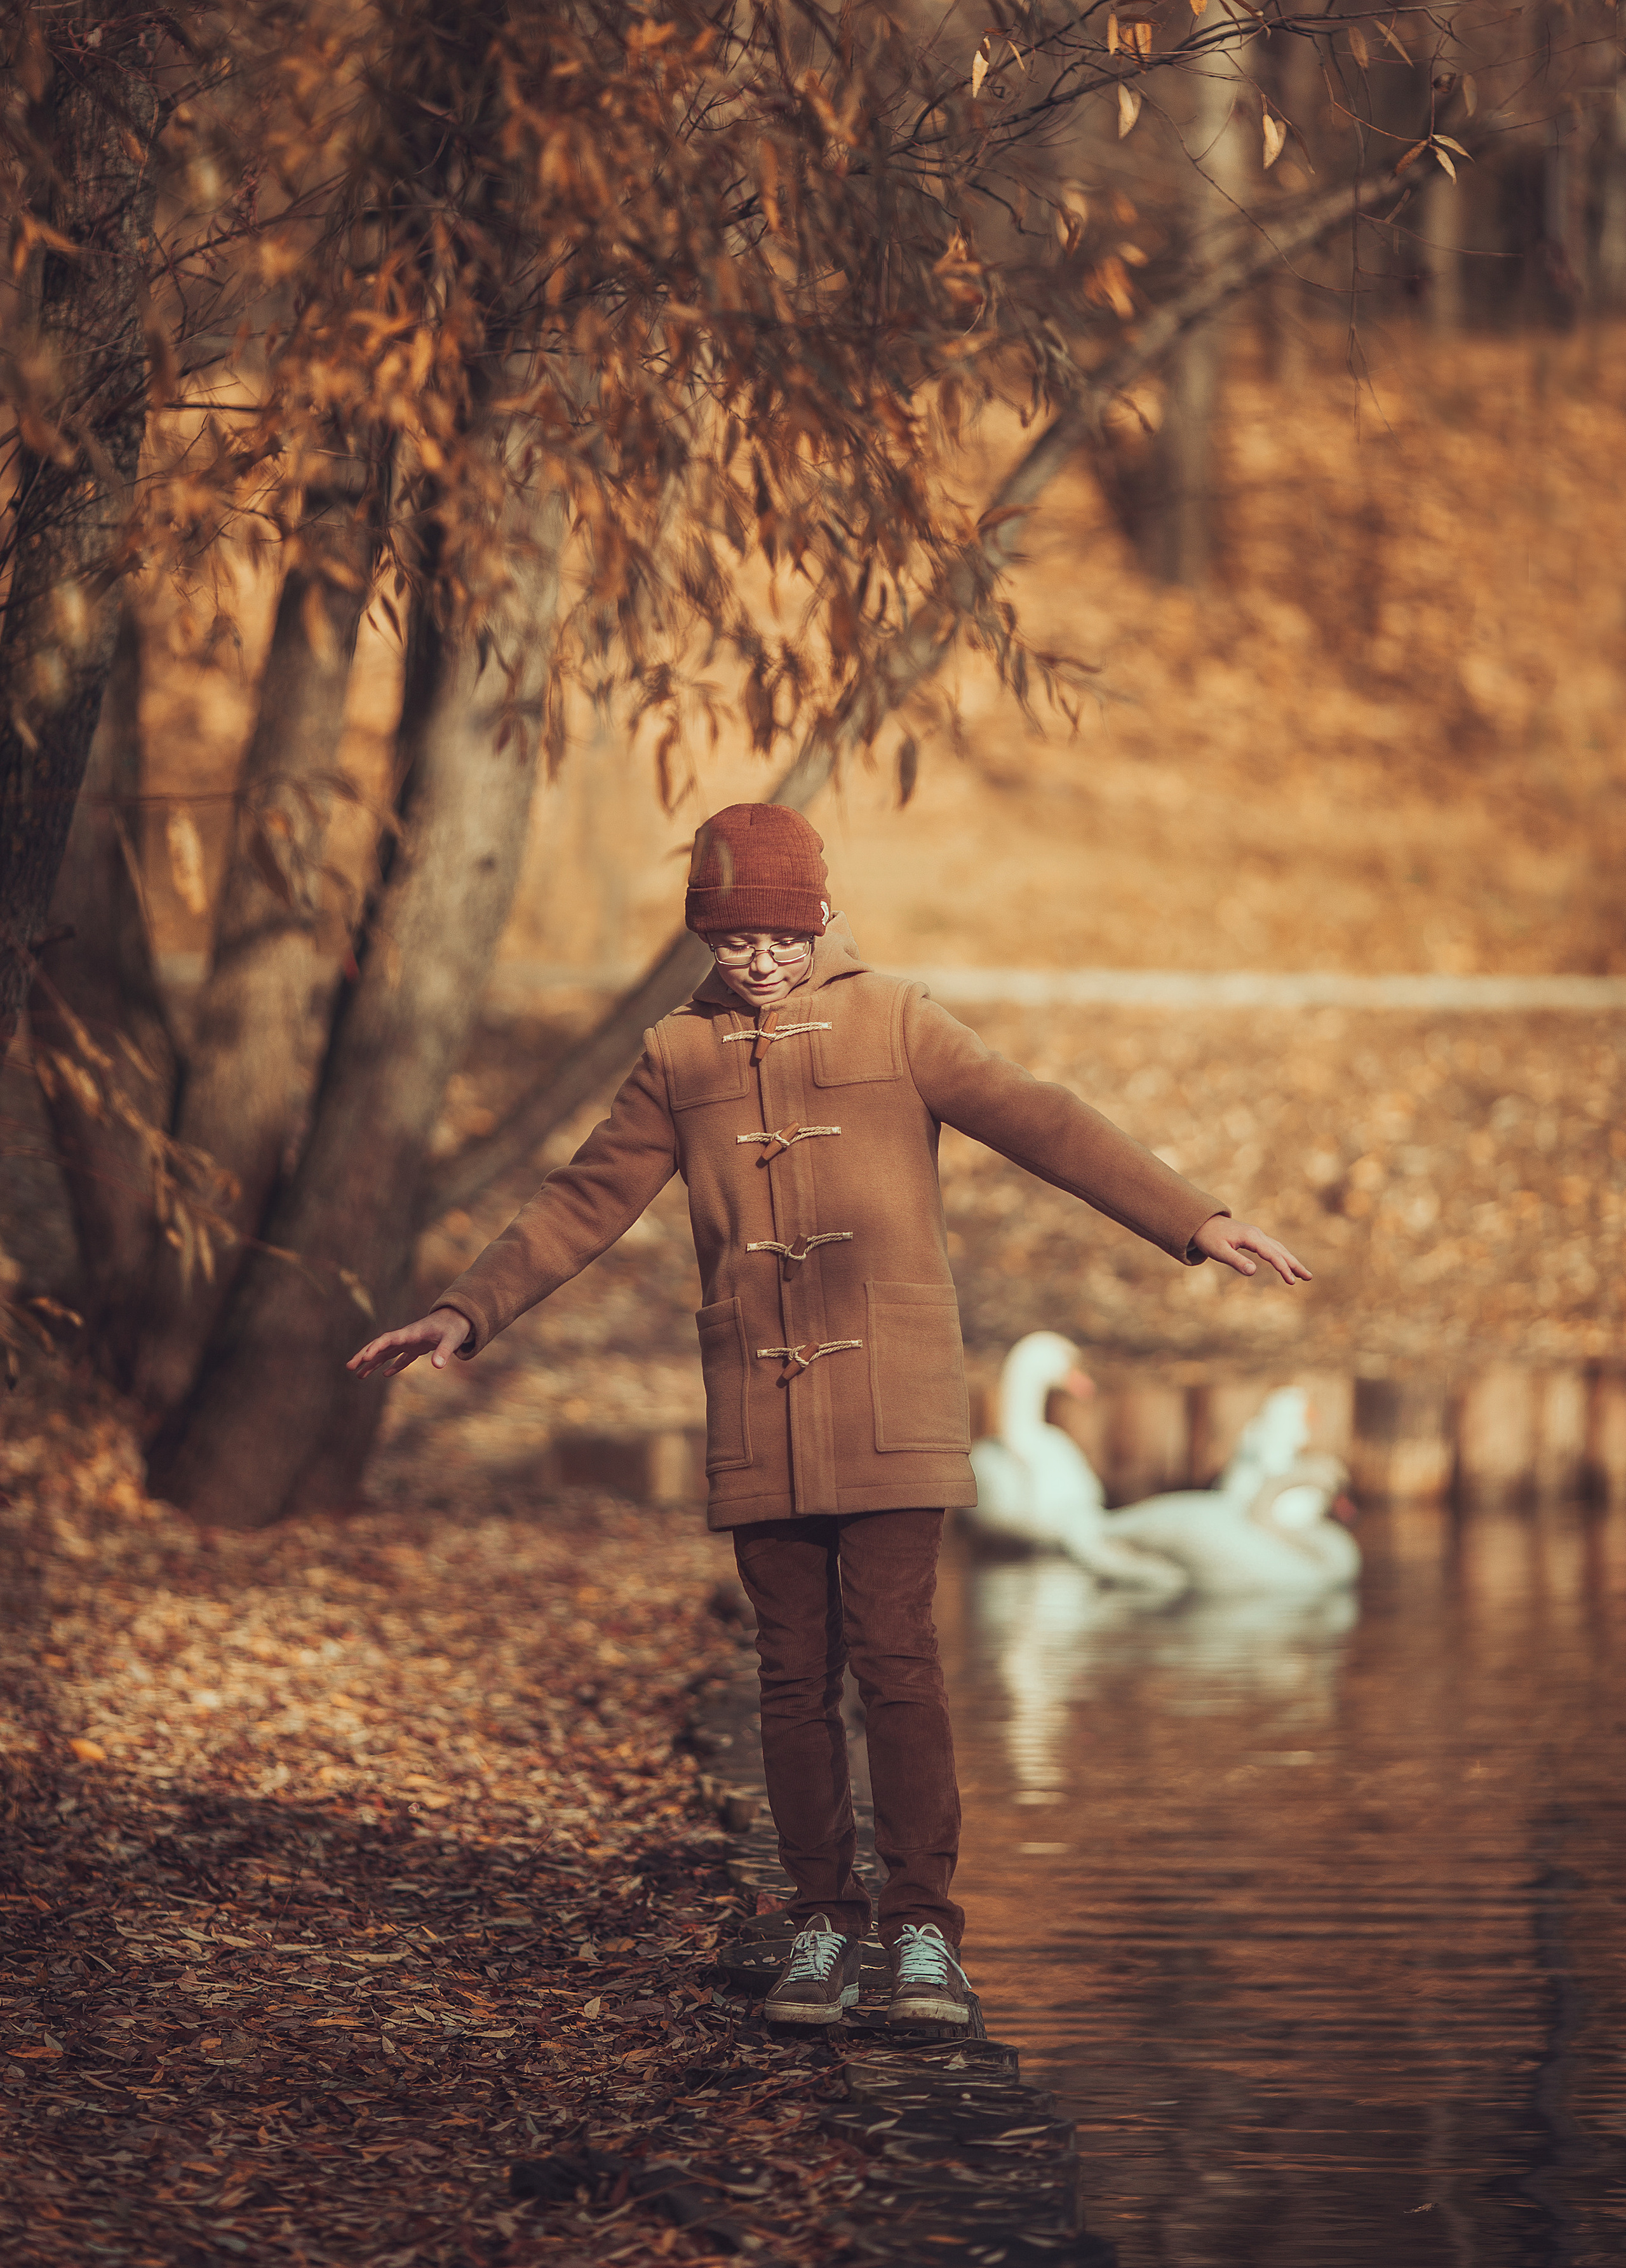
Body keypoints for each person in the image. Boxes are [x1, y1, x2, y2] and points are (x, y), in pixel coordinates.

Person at [349, 804, 1309, 2032]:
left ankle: (920, 1935)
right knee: (791, 1675)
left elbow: (1042, 1118)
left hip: (894, 1395)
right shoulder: (677, 1054)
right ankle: (820, 1926)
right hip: (759, 1398)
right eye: (734, 939)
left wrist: (1194, 1219)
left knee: (899, 1662)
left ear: (820, 918)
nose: (760, 961)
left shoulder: (897, 1019)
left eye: (781, 937)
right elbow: (583, 1199)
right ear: (705, 935)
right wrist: (465, 1311)